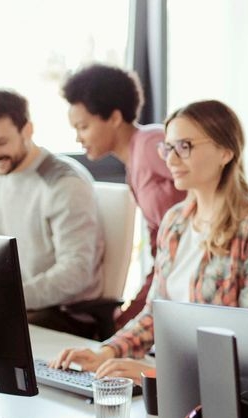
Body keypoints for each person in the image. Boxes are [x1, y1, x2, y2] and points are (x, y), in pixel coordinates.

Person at [52, 100, 248, 383]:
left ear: (225, 151)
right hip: (169, 375)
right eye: (168, 148)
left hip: (216, 389)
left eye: (184, 147)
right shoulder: (175, 222)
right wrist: (107, 352)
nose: (171, 160)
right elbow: (154, 314)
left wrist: (156, 375)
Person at [0, 89, 104, 337]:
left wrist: (11, 297)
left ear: (27, 131)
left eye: (1, 142)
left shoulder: (64, 184)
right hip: (21, 306)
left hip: (65, 315)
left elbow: (77, 272)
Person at [62, 63, 187, 328]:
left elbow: (209, 190)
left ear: (115, 118)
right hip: (175, 281)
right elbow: (161, 250)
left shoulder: (151, 143)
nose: (78, 138)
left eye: (83, 127)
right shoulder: (135, 164)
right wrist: (133, 313)